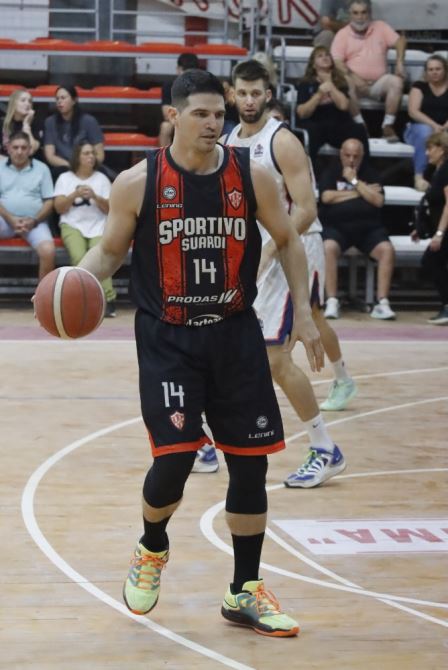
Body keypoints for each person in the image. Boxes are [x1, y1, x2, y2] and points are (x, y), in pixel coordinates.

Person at [77, 69, 324, 637]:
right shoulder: (138, 183)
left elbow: (288, 239)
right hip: (169, 339)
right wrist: (71, 284)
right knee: (176, 459)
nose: (214, 123)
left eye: (220, 113)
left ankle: (244, 591)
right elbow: (109, 253)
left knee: (251, 465)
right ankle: (152, 545)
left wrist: (305, 313)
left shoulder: (251, 176)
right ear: (174, 116)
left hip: (234, 334)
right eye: (202, 114)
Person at [225, 59, 354, 489]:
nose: (249, 100)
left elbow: (307, 209)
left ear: (268, 94)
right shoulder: (228, 140)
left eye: (256, 93)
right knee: (237, 346)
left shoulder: (282, 141)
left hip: (291, 248)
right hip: (258, 252)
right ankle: (215, 436)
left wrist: (268, 248)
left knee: (275, 357)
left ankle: (325, 448)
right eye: (242, 93)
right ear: (232, 94)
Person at [320, 138, 396, 320]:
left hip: (368, 229)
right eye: (347, 155)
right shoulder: (331, 171)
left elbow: (378, 201)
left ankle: (382, 303)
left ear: (362, 156)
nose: (351, 160)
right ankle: (332, 301)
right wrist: (361, 191)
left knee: (387, 250)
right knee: (327, 248)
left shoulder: (371, 173)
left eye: (356, 156)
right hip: (337, 228)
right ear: (341, 154)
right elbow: (326, 197)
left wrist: (354, 181)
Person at [53, 142, 117, 318]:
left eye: (92, 153)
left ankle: (108, 299)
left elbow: (110, 209)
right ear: (77, 157)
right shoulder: (65, 178)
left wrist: (95, 196)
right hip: (72, 225)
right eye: (86, 153)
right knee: (79, 257)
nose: (91, 157)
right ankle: (86, 300)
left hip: (98, 225)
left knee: (102, 259)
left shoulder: (101, 179)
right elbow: (59, 208)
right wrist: (75, 194)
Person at [331, 0, 406, 142]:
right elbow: (337, 62)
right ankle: (361, 126)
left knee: (396, 81)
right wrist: (354, 76)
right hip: (354, 84)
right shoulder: (342, 34)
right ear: (350, 15)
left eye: (363, 12)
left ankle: (388, 125)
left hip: (378, 83)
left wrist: (399, 62)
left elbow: (400, 41)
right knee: (346, 81)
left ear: (369, 14)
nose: (360, 17)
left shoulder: (381, 27)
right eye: (356, 13)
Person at [295, 45, 369, 169]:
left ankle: (362, 173)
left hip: (338, 124)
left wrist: (330, 85)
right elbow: (302, 113)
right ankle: (306, 175)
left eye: (327, 55)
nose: (325, 57)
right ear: (313, 65)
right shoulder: (306, 83)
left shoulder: (340, 81)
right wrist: (319, 95)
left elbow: (344, 106)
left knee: (358, 129)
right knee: (310, 133)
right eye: (320, 56)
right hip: (316, 123)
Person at [0, 131, 55, 280]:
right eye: (15, 147)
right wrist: (10, 218)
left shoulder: (42, 169)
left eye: (24, 148)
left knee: (48, 251)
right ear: (8, 148)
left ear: (30, 149)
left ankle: (43, 294)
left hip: (34, 222)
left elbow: (49, 201)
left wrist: (34, 220)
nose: (19, 151)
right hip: (4, 220)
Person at [411, 132, 448, 325]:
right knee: (433, 262)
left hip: (446, 231)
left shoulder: (446, 170)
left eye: (430, 148)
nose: (427, 153)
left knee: (431, 261)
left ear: (442, 149)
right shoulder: (436, 171)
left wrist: (440, 234)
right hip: (442, 229)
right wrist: (421, 228)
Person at [404, 55, 448, 191]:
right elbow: (413, 111)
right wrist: (435, 126)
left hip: (445, 128)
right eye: (431, 69)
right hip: (418, 128)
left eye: (438, 69)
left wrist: (445, 127)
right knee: (425, 132)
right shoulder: (419, 86)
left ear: (445, 70)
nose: (434, 72)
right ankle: (419, 177)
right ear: (426, 72)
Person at [43, 85, 105, 180]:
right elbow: (50, 156)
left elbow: (100, 154)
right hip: (63, 167)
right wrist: (71, 166)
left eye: (63, 98)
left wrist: (85, 166)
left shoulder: (89, 121)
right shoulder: (50, 122)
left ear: (74, 100)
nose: (59, 101)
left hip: (87, 166)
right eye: (57, 99)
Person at [158, 53, 200, 147]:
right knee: (165, 127)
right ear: (178, 70)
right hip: (176, 120)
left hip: (194, 120)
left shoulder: (202, 87)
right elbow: (166, 114)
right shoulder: (169, 86)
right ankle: (164, 156)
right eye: (184, 72)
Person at [2, 89, 41, 156]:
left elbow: (32, 150)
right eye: (23, 100)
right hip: (5, 160)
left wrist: (26, 125)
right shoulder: (3, 123)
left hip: (28, 161)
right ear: (13, 103)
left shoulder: (36, 123)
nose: (27, 104)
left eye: (30, 101)